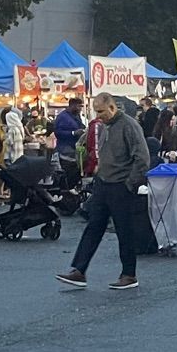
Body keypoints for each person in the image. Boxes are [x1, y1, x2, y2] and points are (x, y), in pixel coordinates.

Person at [58, 93, 151, 290]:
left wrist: (130, 183)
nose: (98, 116)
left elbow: (142, 157)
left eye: (101, 111)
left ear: (112, 107)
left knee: (124, 230)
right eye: (96, 111)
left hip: (120, 185)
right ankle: (79, 270)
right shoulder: (103, 126)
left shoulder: (129, 126)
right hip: (104, 182)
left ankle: (129, 274)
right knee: (93, 226)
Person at [54, 97, 86, 185]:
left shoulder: (76, 115)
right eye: (79, 106)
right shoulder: (62, 117)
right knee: (69, 174)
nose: (80, 109)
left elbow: (81, 125)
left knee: (76, 173)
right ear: (72, 105)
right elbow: (57, 132)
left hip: (75, 149)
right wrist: (73, 133)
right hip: (65, 150)